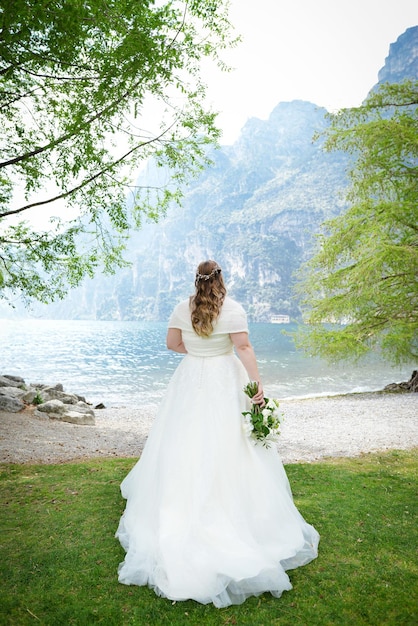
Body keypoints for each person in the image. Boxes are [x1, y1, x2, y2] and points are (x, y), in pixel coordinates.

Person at [115, 260, 319, 608]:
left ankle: (184, 500)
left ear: (196, 280)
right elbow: (243, 348)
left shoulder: (183, 308)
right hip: (225, 378)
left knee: (185, 440)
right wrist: (257, 385)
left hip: (191, 377)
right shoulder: (234, 309)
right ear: (220, 279)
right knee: (229, 442)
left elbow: (171, 344)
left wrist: (197, 352)